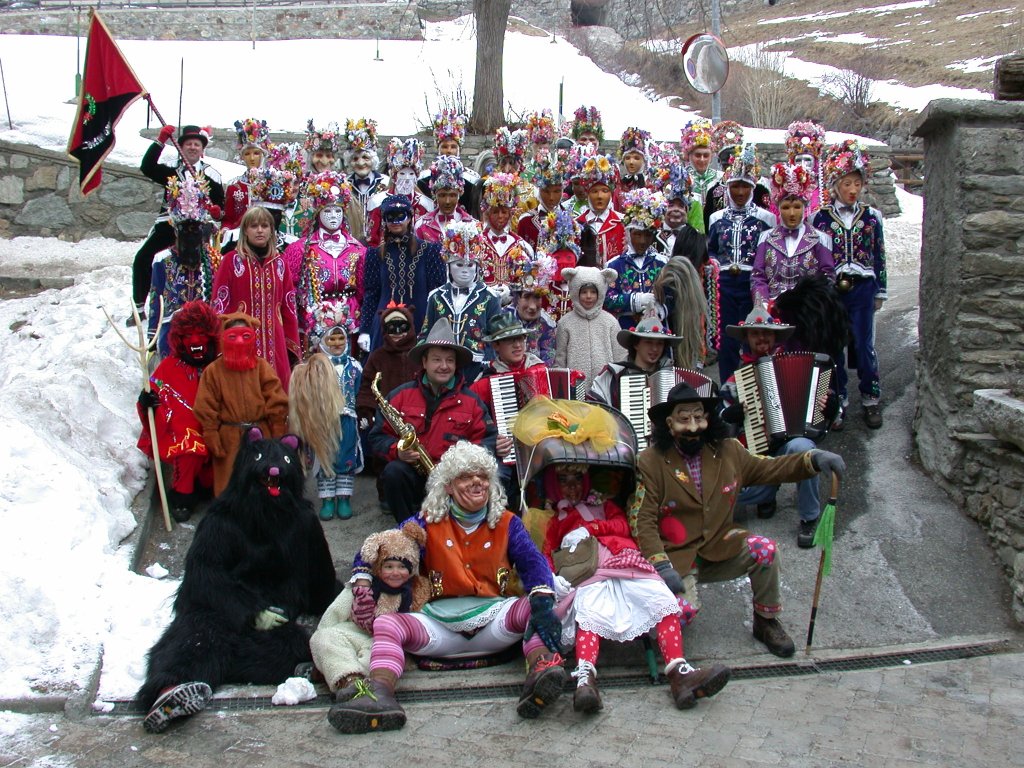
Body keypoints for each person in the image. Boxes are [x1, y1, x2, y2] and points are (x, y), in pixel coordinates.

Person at [326, 441, 565, 733]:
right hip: (438, 628)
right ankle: (380, 694)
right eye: (466, 476)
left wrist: (542, 599)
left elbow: (533, 562)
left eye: (483, 476)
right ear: (448, 486)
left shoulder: (507, 523)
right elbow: (377, 548)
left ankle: (541, 671)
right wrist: (362, 579)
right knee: (388, 624)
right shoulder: (426, 524)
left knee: (535, 605)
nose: (477, 482)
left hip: (495, 625)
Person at [137, 428, 339, 733]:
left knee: (297, 645)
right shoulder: (222, 519)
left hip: (278, 620)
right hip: (223, 612)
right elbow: (203, 580)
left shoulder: (303, 522)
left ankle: (215, 668)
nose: (273, 481)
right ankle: (168, 692)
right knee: (196, 635)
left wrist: (355, 603)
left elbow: (322, 582)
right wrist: (249, 611)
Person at [631, 382, 846, 658]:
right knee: (678, 615)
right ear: (669, 424)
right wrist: (660, 564)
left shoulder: (729, 451)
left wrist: (812, 459)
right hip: (677, 556)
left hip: (722, 544)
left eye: (699, 417)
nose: (694, 426)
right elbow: (642, 519)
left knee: (765, 550)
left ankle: (765, 621)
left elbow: (771, 468)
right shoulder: (650, 462)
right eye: (684, 419)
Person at [541, 459, 728, 711]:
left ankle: (679, 671)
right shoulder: (554, 519)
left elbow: (623, 526)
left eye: (577, 480)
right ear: (553, 485)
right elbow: (545, 552)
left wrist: (592, 527)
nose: (571, 487)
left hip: (626, 562)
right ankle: (585, 678)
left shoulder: (603, 504)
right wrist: (551, 576)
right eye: (563, 481)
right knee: (589, 612)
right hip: (588, 572)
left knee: (660, 600)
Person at [719, 308, 836, 547]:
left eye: (767, 333)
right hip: (753, 458)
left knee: (805, 449)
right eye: (755, 334)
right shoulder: (736, 379)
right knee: (725, 492)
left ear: (775, 337)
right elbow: (716, 423)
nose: (762, 338)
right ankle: (767, 494)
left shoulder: (805, 365)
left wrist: (830, 408)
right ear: (747, 339)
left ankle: (809, 517)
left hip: (787, 450)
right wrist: (728, 415)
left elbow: (825, 416)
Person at [368, 318, 497, 523]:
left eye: (450, 360)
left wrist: (461, 467)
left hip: (452, 481)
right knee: (393, 472)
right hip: (413, 476)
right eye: (437, 359)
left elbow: (487, 442)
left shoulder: (472, 402)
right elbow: (376, 438)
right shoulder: (399, 396)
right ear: (424, 362)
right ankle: (407, 528)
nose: (444, 366)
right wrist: (397, 451)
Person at [812, 139, 886, 429]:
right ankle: (837, 402)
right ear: (835, 185)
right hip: (833, 289)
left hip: (862, 287)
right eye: (847, 183)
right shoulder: (820, 219)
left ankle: (871, 398)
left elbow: (879, 255)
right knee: (833, 346)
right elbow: (818, 257)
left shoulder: (871, 217)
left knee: (864, 344)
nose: (853, 189)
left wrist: (880, 289)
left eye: (857, 183)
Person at [309, 522, 431, 695]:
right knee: (323, 638)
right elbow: (334, 614)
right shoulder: (364, 588)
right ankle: (349, 682)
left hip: (388, 642)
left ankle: (355, 683)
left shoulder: (417, 589)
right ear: (379, 567)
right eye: (388, 567)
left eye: (402, 567)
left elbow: (424, 621)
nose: (395, 573)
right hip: (357, 633)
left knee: (377, 660)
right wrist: (322, 643)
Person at [131, 124, 224, 323]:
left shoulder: (212, 175)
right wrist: (160, 141)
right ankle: (139, 306)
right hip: (170, 226)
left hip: (200, 227)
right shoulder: (171, 171)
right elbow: (146, 167)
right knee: (144, 257)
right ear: (181, 148)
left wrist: (216, 211)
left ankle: (209, 305)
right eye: (188, 144)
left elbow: (220, 205)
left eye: (196, 144)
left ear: (202, 149)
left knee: (210, 263)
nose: (192, 147)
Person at [136, 301, 219, 522]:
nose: (195, 340)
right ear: (179, 339)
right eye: (189, 334)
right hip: (187, 440)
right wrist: (147, 402)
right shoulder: (170, 367)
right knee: (189, 449)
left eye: (201, 333)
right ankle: (182, 497)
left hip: (220, 436)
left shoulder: (221, 365)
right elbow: (154, 397)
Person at [193, 312, 290, 496]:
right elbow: (206, 404)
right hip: (229, 437)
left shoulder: (262, 367)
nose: (239, 342)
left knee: (262, 483)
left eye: (245, 336)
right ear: (223, 338)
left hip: (261, 435)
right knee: (230, 486)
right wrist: (211, 432)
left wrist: (278, 427)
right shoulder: (213, 371)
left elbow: (276, 398)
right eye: (232, 336)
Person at [707, 143, 777, 385]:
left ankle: (755, 387)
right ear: (727, 188)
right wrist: (715, 263)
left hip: (751, 283)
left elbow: (769, 252)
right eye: (735, 186)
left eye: (745, 186)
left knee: (752, 337)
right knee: (727, 340)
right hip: (724, 284)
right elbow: (712, 248)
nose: (739, 192)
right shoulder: (716, 218)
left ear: (752, 188)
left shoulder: (766, 218)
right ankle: (728, 389)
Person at [212, 205, 301, 389]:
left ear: (271, 230)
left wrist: (292, 346)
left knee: (277, 395)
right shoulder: (230, 260)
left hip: (275, 344)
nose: (260, 230)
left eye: (264, 225)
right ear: (245, 230)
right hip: (240, 342)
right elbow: (219, 306)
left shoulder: (280, 263)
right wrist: (221, 343)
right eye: (254, 226)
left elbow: (289, 308)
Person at [284, 171, 366, 352]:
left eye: (337, 211)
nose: (333, 216)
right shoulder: (299, 249)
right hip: (313, 321)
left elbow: (363, 290)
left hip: (350, 320)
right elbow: (291, 289)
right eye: (327, 211)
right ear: (318, 212)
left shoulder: (358, 249)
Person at [288, 328, 363, 521]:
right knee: (324, 457)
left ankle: (343, 498)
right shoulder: (316, 367)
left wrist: (363, 412)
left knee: (346, 455)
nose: (337, 343)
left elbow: (359, 391)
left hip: (347, 418)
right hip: (323, 419)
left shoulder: (355, 366)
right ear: (323, 342)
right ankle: (327, 499)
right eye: (332, 339)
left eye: (341, 338)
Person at [357, 194, 446, 353]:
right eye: (390, 217)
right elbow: (371, 295)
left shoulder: (430, 250)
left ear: (410, 218)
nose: (396, 221)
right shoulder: (374, 254)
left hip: (421, 323)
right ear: (384, 220)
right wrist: (365, 330)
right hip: (384, 325)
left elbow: (438, 293)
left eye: (401, 216)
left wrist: (439, 326)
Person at [146, 174, 217, 357]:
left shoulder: (214, 259)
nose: (191, 235)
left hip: (206, 331)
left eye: (195, 230)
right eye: (185, 229)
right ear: (176, 231)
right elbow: (156, 299)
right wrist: (152, 336)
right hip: (172, 330)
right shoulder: (162, 260)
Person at [419, 221, 502, 370]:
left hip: (477, 367)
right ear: (448, 266)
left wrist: (489, 365)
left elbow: (496, 337)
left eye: (470, 265)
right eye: (458, 264)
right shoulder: (435, 297)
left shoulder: (490, 297)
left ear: (477, 267)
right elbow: (426, 333)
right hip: (443, 367)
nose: (465, 270)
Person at [751, 162, 836, 307]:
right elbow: (758, 276)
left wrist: (814, 305)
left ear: (805, 207)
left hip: (808, 313)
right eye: (786, 207)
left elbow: (827, 276)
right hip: (774, 311)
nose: (791, 213)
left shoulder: (820, 239)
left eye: (797, 207)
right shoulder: (766, 238)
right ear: (778, 208)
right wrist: (763, 305)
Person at [586, 308, 680, 410]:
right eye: (648, 342)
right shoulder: (612, 375)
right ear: (636, 344)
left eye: (660, 343)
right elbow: (594, 408)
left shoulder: (671, 376)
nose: (655, 349)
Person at [603, 188, 669, 330]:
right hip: (625, 328)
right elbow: (607, 299)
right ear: (629, 233)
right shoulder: (614, 265)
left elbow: (673, 295)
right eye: (637, 235)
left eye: (647, 235)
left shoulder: (663, 263)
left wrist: (659, 309)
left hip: (657, 326)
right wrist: (636, 300)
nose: (642, 241)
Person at [554, 266, 625, 384]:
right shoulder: (565, 323)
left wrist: (618, 382)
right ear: (575, 292)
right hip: (575, 388)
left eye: (593, 292)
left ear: (600, 293)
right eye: (584, 292)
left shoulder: (610, 322)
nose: (588, 296)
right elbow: (560, 359)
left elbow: (620, 356)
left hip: (606, 387)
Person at [366, 138, 434, 248]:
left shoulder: (426, 205)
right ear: (394, 176)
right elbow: (372, 241)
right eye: (402, 174)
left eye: (411, 174)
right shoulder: (377, 202)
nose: (407, 179)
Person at [702, 122, 772, 230]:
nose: (731, 168)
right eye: (727, 165)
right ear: (721, 164)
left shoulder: (759, 190)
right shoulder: (714, 191)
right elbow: (708, 227)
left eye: (735, 163)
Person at [479, 172, 534, 294]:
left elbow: (528, 281)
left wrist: (510, 292)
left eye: (504, 212)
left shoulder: (522, 246)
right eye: (495, 212)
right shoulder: (476, 242)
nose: (500, 216)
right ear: (488, 213)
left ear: (510, 214)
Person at [419, 109, 481, 216]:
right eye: (444, 147)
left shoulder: (472, 180)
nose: (448, 151)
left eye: (453, 147)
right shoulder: (423, 179)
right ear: (437, 149)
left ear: (459, 150)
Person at [505, 256, 559, 365]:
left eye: (537, 297)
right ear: (516, 299)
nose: (533, 306)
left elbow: (548, 355)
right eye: (527, 297)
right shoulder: (502, 319)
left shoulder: (547, 324)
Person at [342, 118, 388, 243]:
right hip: (351, 244)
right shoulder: (344, 185)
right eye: (355, 159)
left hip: (379, 245)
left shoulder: (386, 182)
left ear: (373, 159)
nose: (361, 163)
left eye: (365, 157)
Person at [414, 154, 476, 243]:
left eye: (452, 195)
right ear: (435, 195)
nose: (447, 201)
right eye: (442, 195)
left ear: (459, 195)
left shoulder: (470, 225)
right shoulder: (421, 225)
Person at [576, 153, 625, 267]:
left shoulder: (622, 222)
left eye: (604, 191)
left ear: (611, 193)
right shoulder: (577, 224)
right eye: (594, 191)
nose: (599, 196)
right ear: (587, 194)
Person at [223, 118, 270, 231]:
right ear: (242, 157)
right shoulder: (234, 187)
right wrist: (225, 229)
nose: (252, 158)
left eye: (256, 153)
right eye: (247, 154)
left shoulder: (272, 185)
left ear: (263, 155)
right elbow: (228, 219)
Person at [517, 156, 565, 250]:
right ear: (539, 190)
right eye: (546, 192)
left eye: (556, 192)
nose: (551, 197)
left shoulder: (571, 219)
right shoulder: (525, 221)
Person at [679, 118, 717, 234]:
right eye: (698, 155)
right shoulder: (680, 178)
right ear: (688, 155)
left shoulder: (720, 178)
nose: (702, 159)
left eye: (706, 155)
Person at [785, 120, 827, 219]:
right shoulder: (784, 190)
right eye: (798, 160)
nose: (803, 165)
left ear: (816, 163)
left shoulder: (825, 190)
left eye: (807, 160)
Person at [613, 126, 651, 211]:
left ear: (644, 160)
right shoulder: (619, 188)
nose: (631, 162)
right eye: (627, 158)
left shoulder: (651, 186)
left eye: (636, 158)